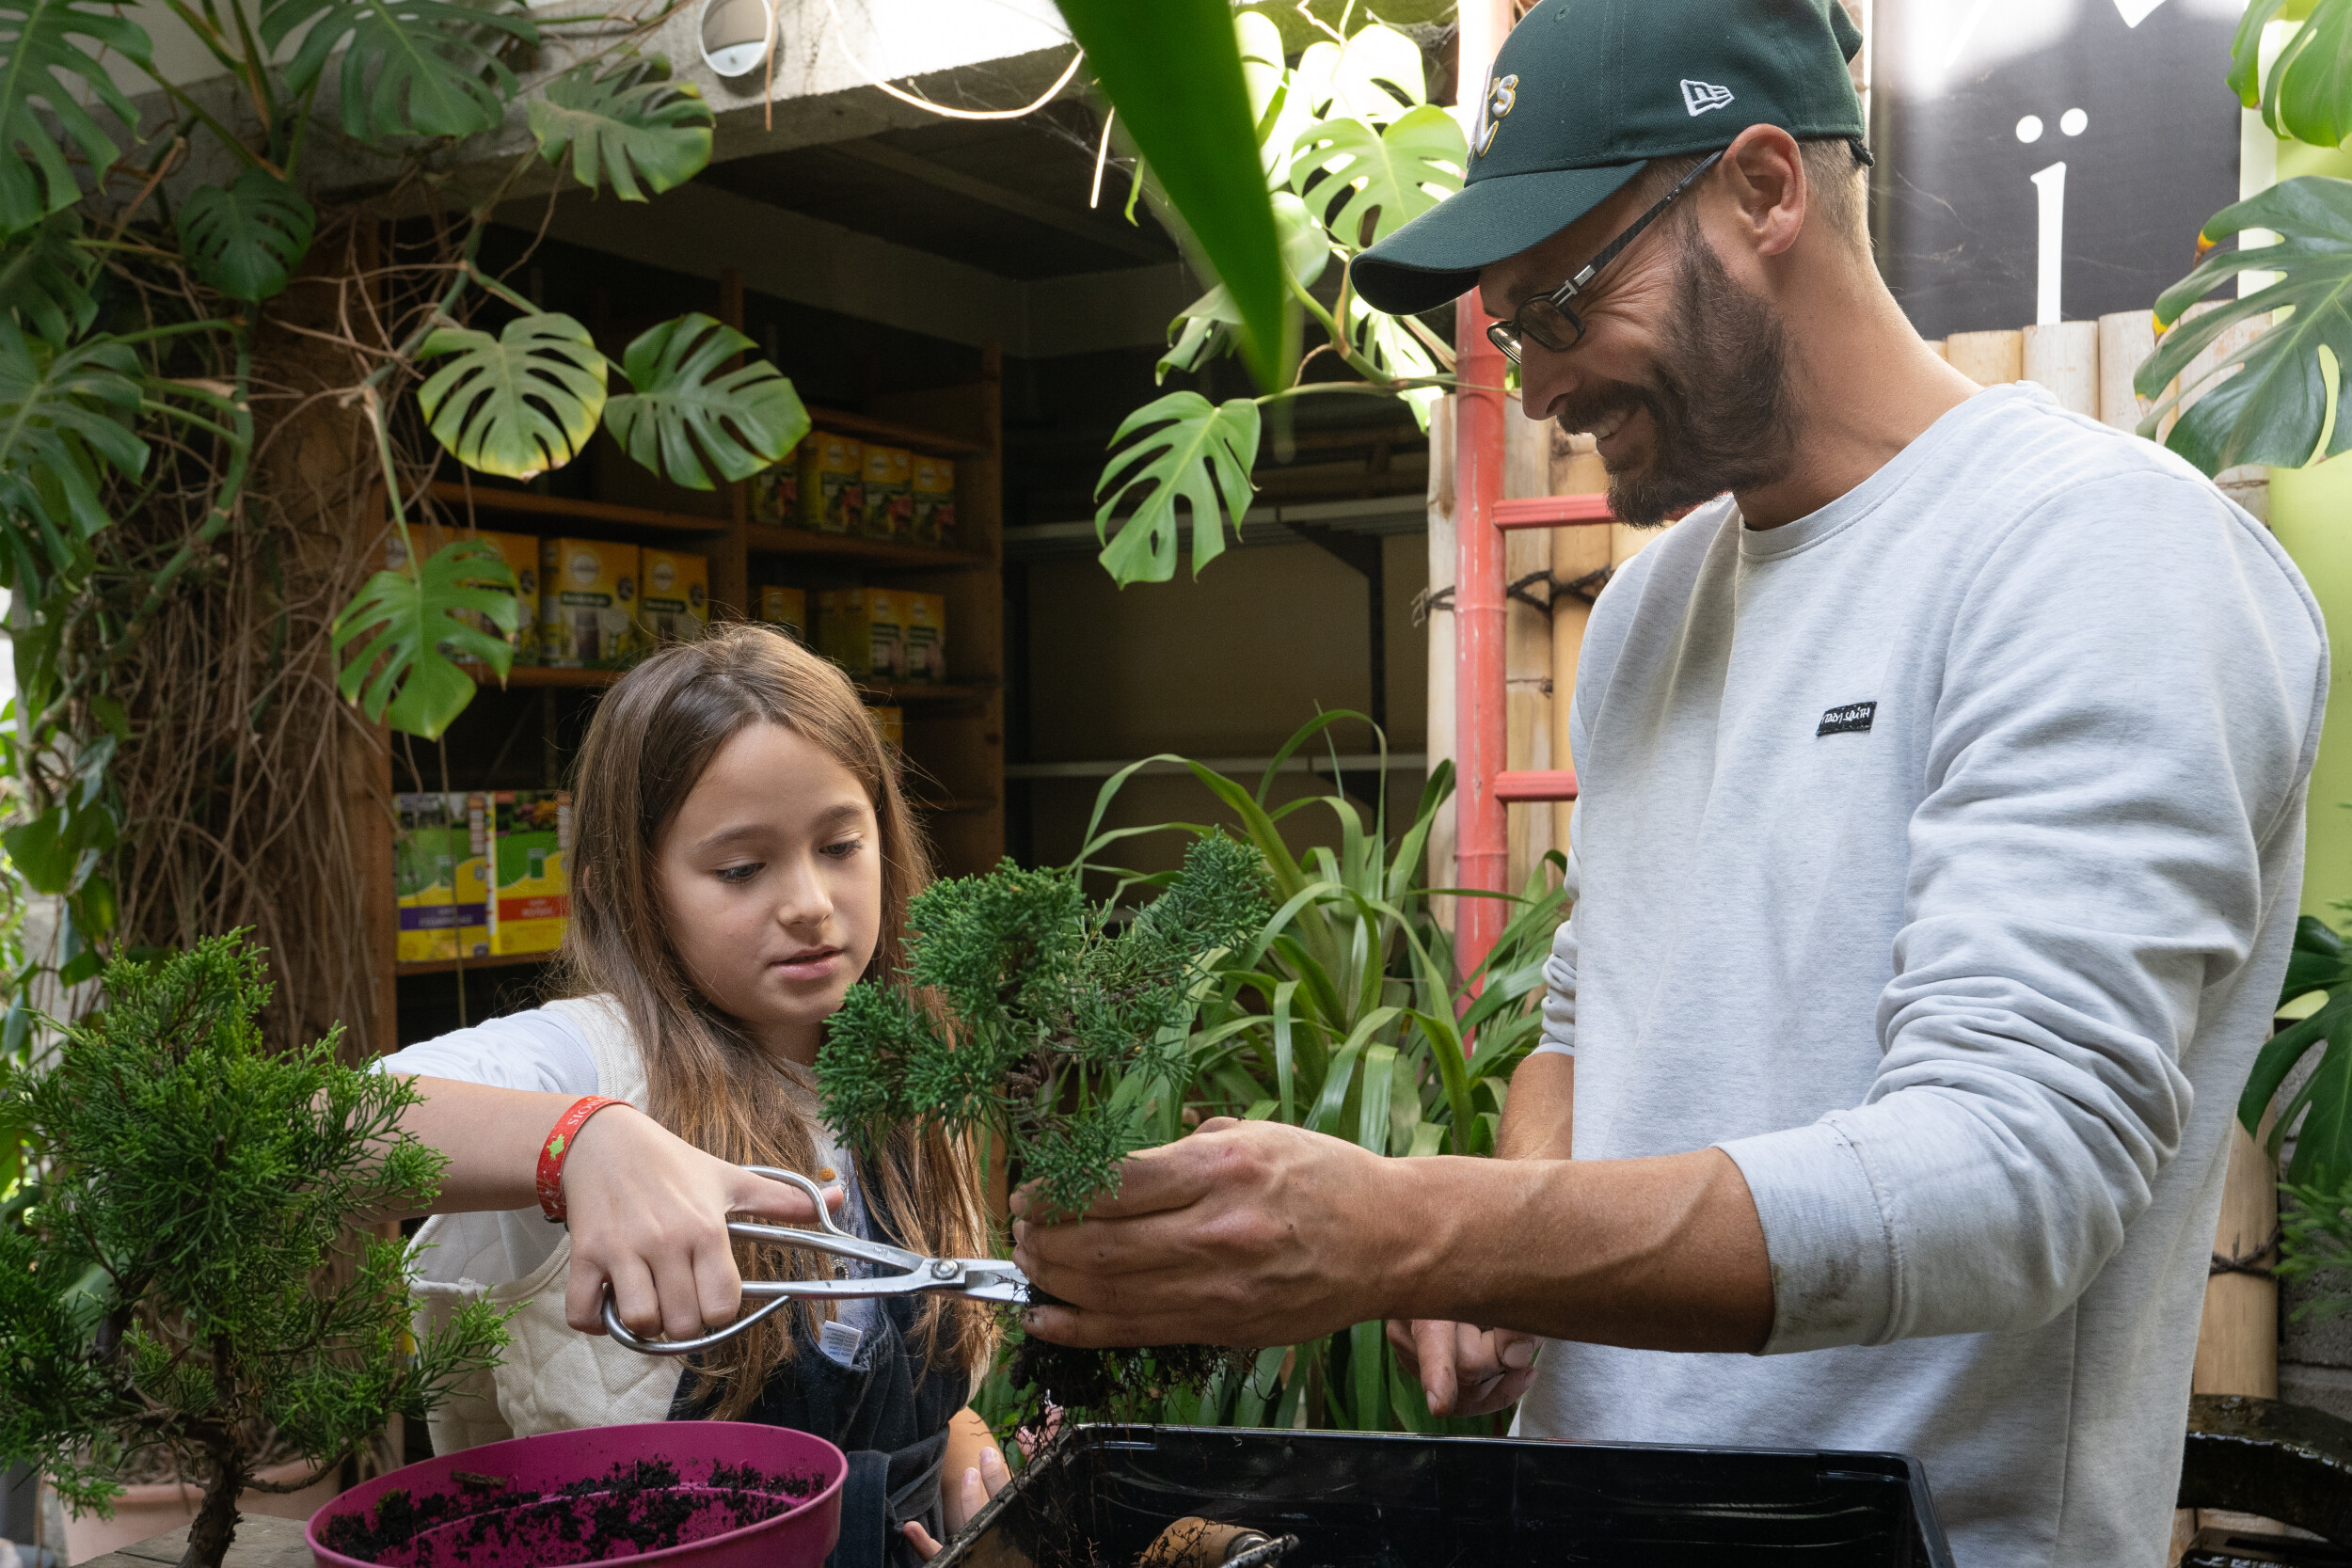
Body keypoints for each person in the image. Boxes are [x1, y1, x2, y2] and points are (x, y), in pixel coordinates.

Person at [1009, 1, 2328, 1563]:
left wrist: (1410, 1222)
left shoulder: (2102, 555)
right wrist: (1517, 1225)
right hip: (1583, 1512)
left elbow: (2010, 1175)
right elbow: (1595, 1014)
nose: (1537, 379)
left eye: (1559, 300)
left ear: (1765, 187)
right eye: (1503, 324)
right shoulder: (1645, 609)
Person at [380, 626, 1009, 1567]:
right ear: (627, 891)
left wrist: (959, 1438)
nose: (808, 900)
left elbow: (914, 1359)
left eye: (840, 844)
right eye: (741, 869)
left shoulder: (912, 1067)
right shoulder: (586, 1057)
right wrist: (580, 1142)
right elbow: (321, 1127)